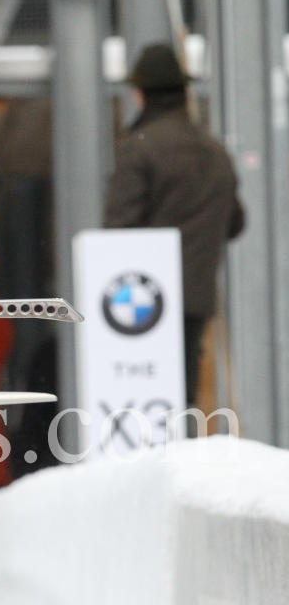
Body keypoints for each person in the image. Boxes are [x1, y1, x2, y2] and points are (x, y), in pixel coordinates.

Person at [105, 43, 245, 407]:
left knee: (144, 399)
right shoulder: (214, 150)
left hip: (141, 299)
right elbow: (235, 223)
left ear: (140, 94)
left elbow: (118, 228)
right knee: (181, 393)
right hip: (195, 296)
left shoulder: (140, 147)